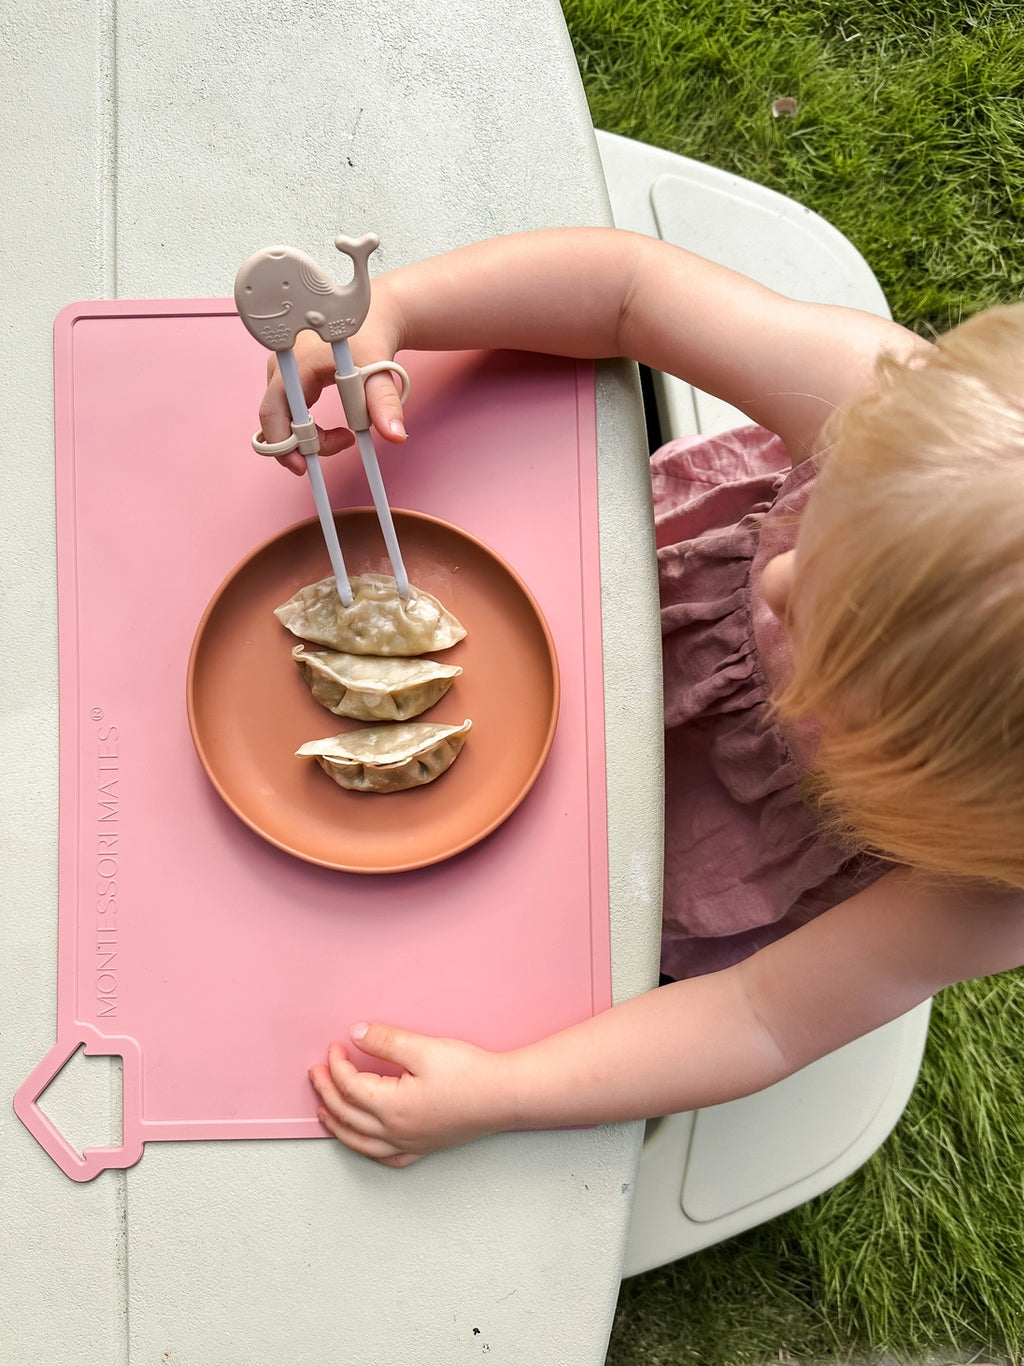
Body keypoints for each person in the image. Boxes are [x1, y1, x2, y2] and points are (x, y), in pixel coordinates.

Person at [255, 227, 1024, 1167]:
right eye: (816, 523)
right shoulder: (911, 428)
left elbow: (762, 1016)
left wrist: (504, 1092)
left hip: (655, 849)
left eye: (829, 639)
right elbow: (628, 290)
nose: (774, 585)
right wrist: (400, 311)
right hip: (582, 589)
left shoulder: (990, 891)